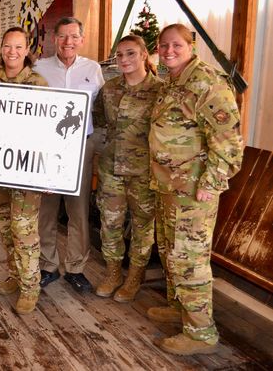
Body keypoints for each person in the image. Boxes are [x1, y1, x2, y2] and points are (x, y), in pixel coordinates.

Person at [147, 23, 243, 355]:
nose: (169, 51)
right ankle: (181, 309)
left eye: (176, 45)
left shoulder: (208, 85)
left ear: (191, 46)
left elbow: (229, 144)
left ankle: (201, 333)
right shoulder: (172, 82)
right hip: (168, 187)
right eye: (163, 46)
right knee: (172, 252)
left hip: (193, 192)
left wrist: (212, 184)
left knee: (189, 259)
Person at [33, 17, 105, 292]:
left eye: (74, 36)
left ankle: (76, 268)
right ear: (54, 39)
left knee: (78, 209)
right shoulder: (39, 68)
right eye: (63, 36)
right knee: (47, 209)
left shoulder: (93, 69)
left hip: (80, 146)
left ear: (82, 39)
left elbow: (98, 110)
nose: (68, 42)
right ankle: (47, 265)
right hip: (47, 148)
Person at [93, 35, 162, 302]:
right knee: (109, 222)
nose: (124, 60)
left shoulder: (159, 90)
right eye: (119, 55)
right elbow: (100, 120)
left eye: (130, 54)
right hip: (111, 168)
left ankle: (135, 275)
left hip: (144, 171)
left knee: (143, 226)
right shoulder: (109, 89)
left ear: (144, 55)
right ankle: (113, 273)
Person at [0, 26, 47, 314]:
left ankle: (30, 286)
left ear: (27, 50)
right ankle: (15, 273)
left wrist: (48, 173)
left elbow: (50, 135)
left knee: (24, 230)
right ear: (1, 49)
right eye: (7, 46)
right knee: (5, 227)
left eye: (18, 47)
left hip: (27, 173)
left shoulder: (38, 83)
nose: (12, 52)